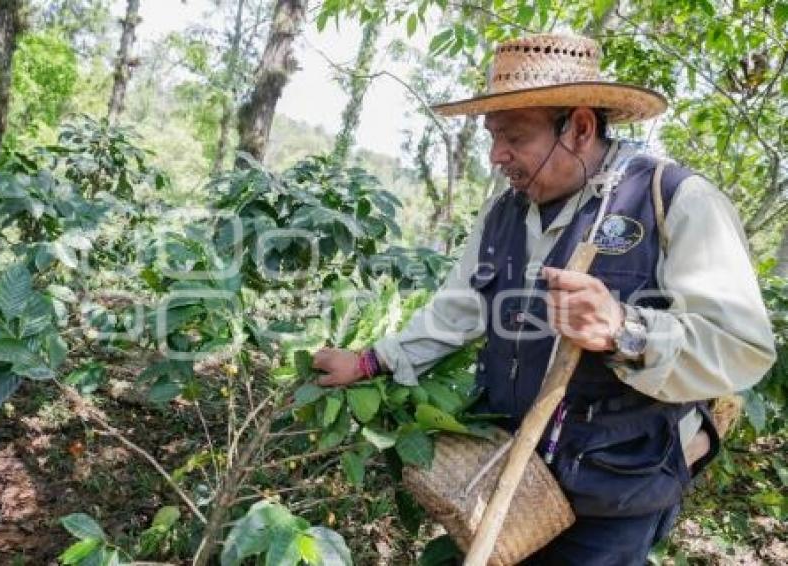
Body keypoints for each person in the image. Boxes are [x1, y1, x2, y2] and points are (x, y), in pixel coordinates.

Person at [312, 33, 776, 564]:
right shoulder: (502, 214)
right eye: (492, 136)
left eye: (513, 136)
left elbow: (742, 348)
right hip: (512, 478)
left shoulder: (675, 200)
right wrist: (370, 361)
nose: (496, 155)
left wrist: (625, 329)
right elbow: (458, 309)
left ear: (578, 127)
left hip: (617, 488)